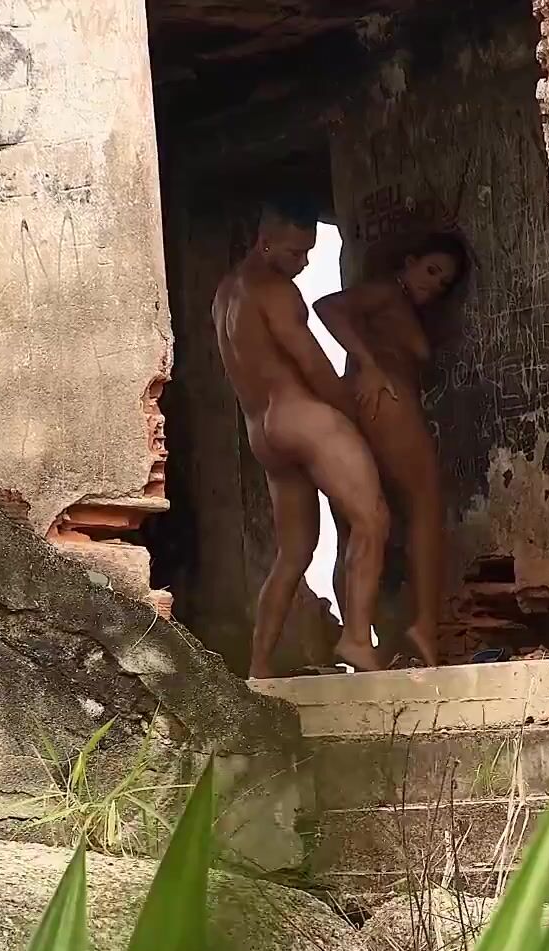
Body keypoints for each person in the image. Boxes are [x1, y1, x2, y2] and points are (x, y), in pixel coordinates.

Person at [212, 197, 390, 677]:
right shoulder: (275, 291)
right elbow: (313, 363)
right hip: (302, 420)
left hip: (263, 432)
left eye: (309, 252)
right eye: (295, 252)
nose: (304, 263)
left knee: (293, 553)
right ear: (264, 242)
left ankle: (260, 666)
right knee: (372, 518)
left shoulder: (225, 294)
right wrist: (355, 413)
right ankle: (357, 639)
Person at [314, 231, 468, 668]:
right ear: (408, 260)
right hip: (388, 401)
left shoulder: (399, 305)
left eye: (442, 282)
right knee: (426, 507)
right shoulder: (387, 291)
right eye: (430, 271)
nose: (432, 285)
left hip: (373, 403)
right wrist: (369, 364)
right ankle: (424, 626)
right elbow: (327, 307)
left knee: (364, 522)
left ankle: (363, 634)